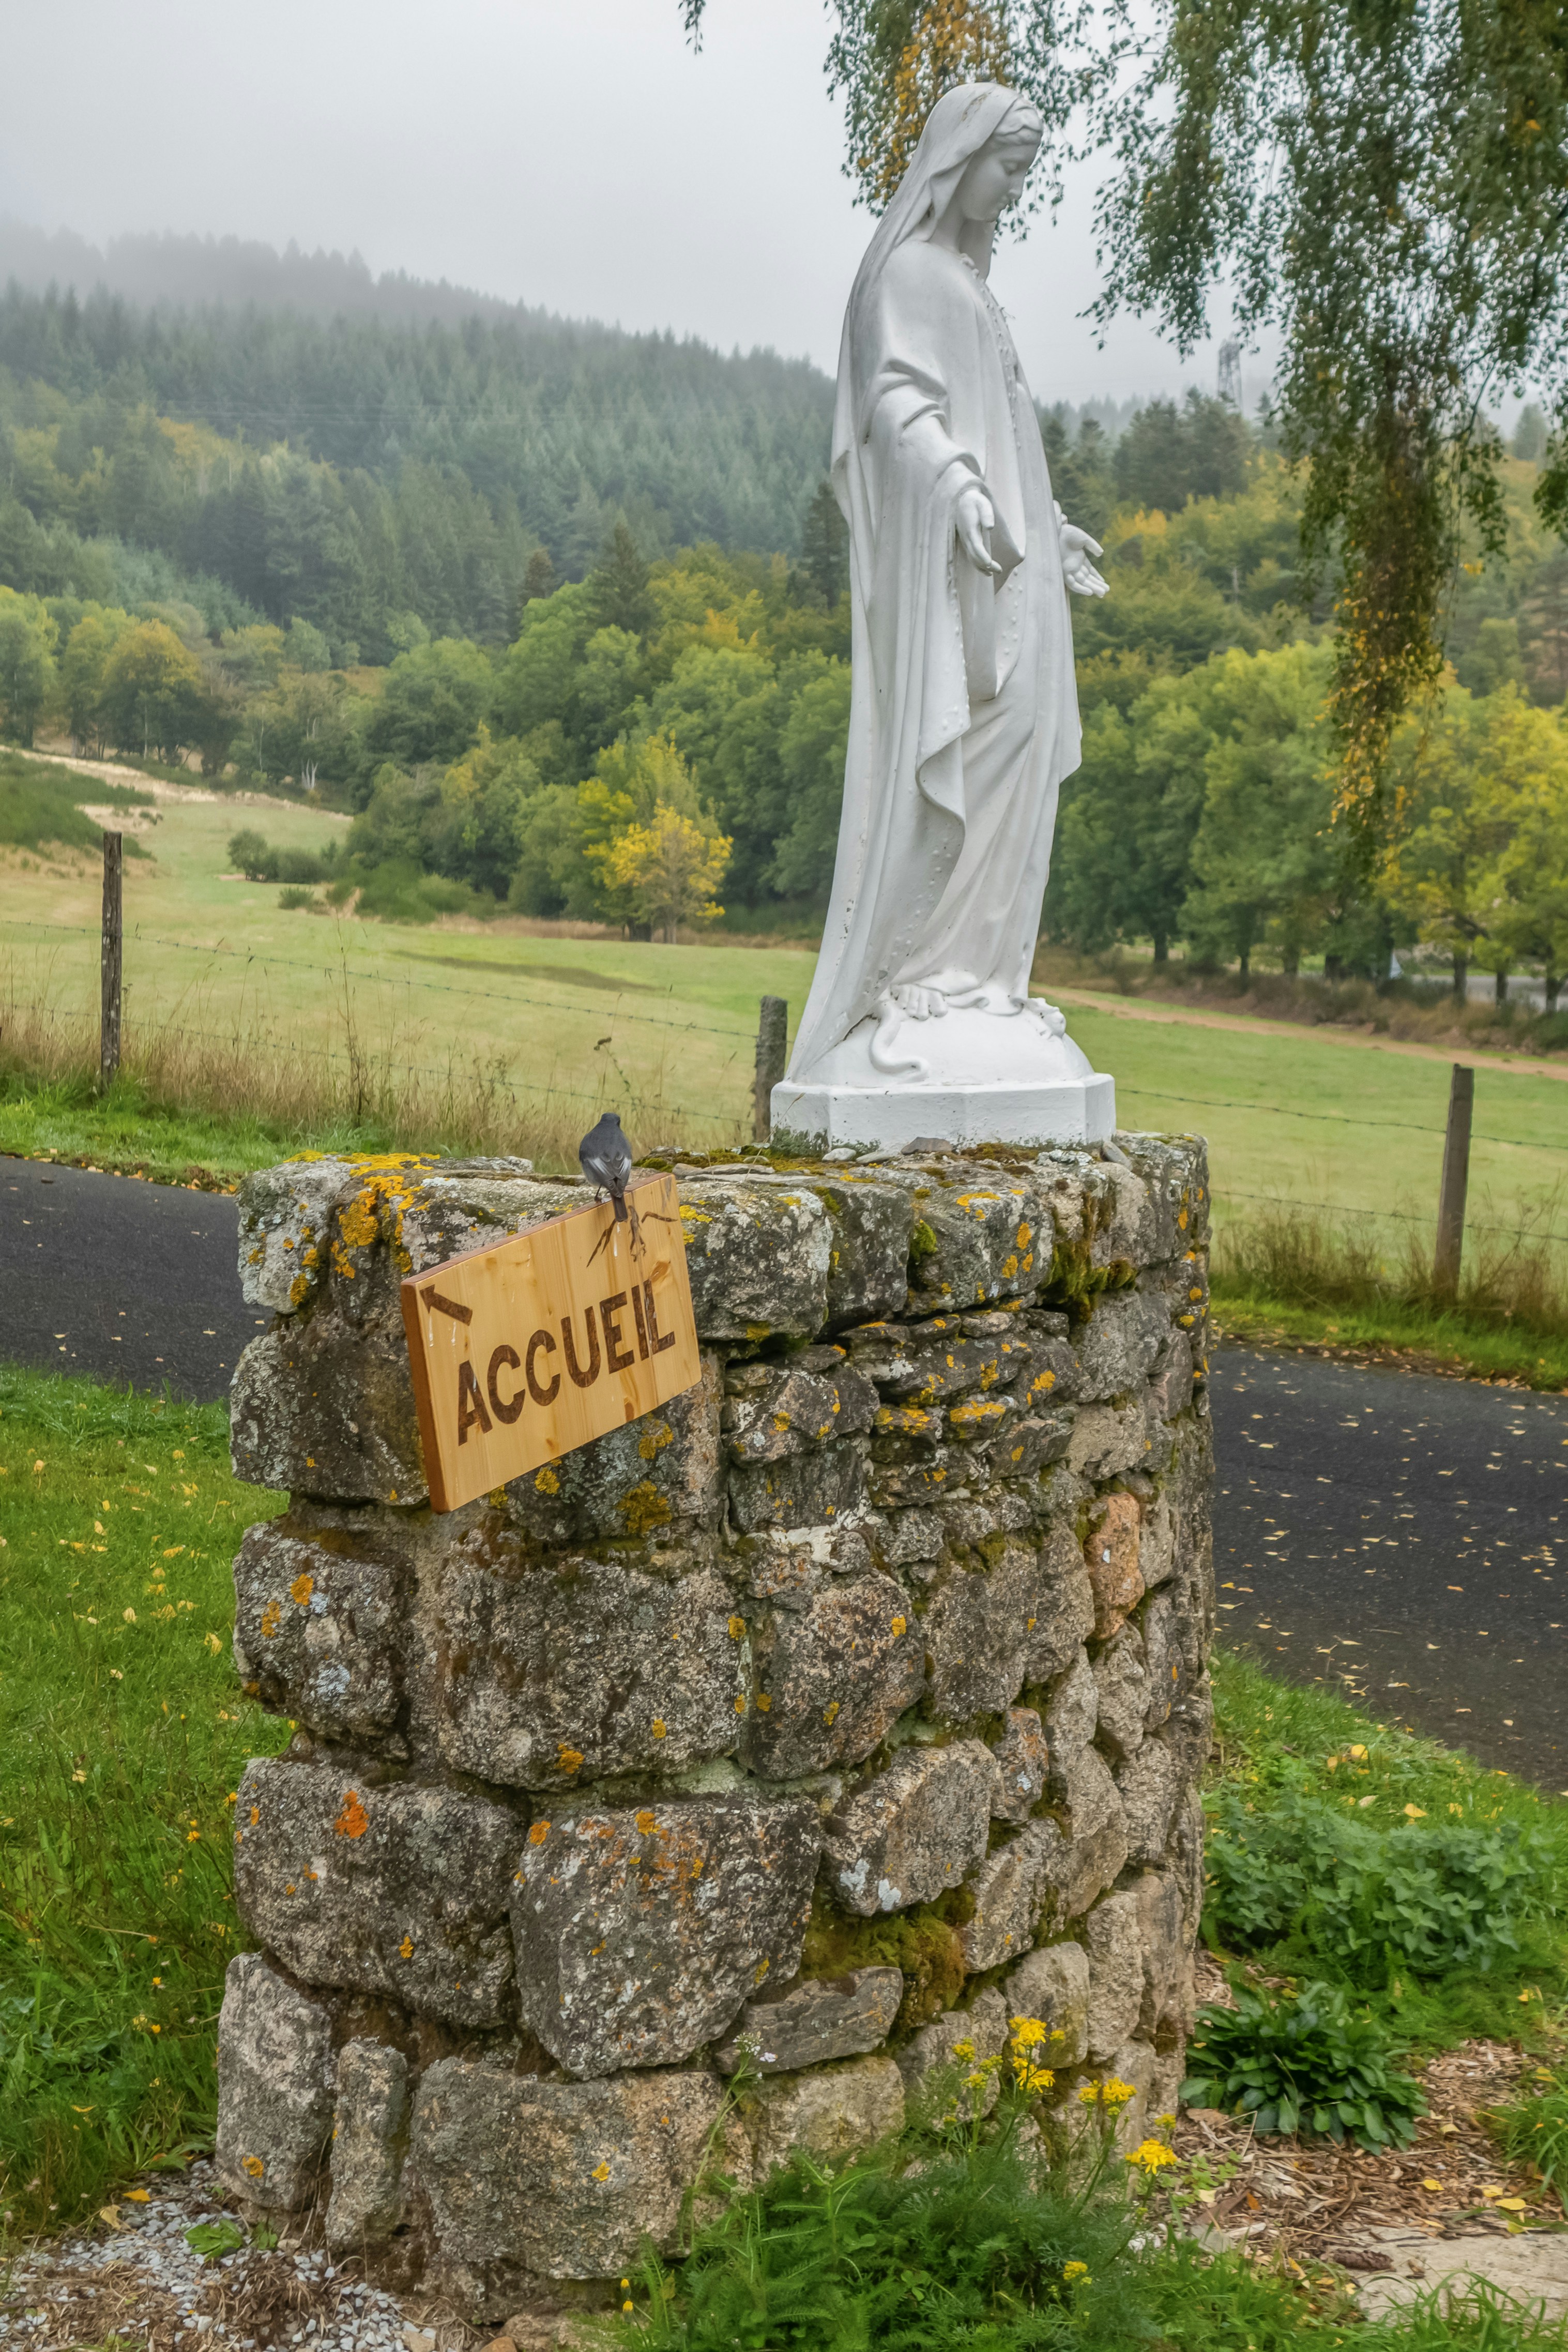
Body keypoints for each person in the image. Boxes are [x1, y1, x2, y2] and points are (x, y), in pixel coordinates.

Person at [786, 81, 1107, 1093]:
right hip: (967, 569)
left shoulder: (970, 285)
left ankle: (985, 982)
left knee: (1023, 752)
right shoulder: (913, 276)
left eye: (1022, 172)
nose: (1012, 190)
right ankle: (922, 972)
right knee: (980, 743)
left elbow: (1004, 434)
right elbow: (898, 405)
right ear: (958, 159)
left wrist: (1046, 530)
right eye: (1005, 168)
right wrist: (962, 493)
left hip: (1014, 569)